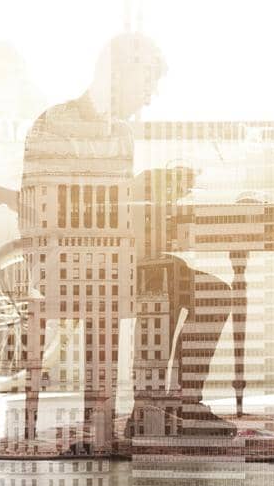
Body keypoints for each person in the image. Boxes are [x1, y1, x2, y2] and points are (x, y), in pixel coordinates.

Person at [21, 34, 233, 446]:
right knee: (165, 277)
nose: (150, 98)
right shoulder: (56, 122)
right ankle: (151, 409)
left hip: (109, 258)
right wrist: (140, 188)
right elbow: (53, 210)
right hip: (62, 263)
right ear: (119, 75)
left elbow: (114, 213)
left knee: (214, 293)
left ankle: (176, 404)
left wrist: (154, 195)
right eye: (147, 85)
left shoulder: (120, 133)